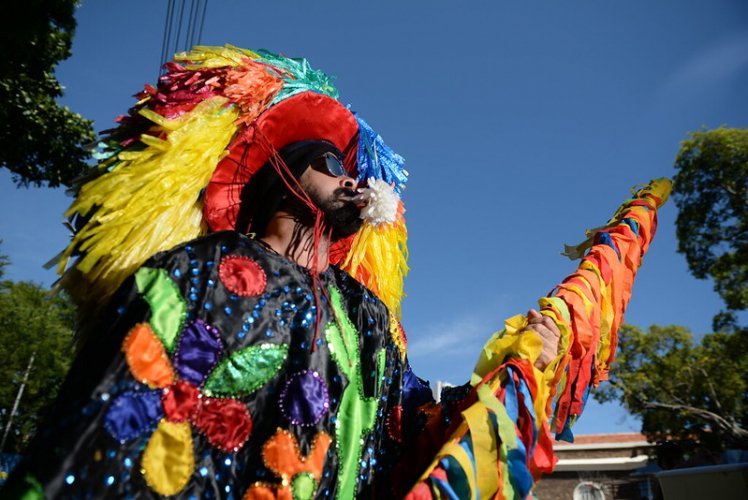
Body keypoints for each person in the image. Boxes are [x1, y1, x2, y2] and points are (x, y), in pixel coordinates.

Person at [3, 46, 668, 500]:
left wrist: (511, 375)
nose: (352, 179)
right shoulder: (199, 269)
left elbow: (408, 433)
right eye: (327, 163)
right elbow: (114, 428)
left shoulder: (367, 315)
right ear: (282, 180)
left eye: (351, 168)